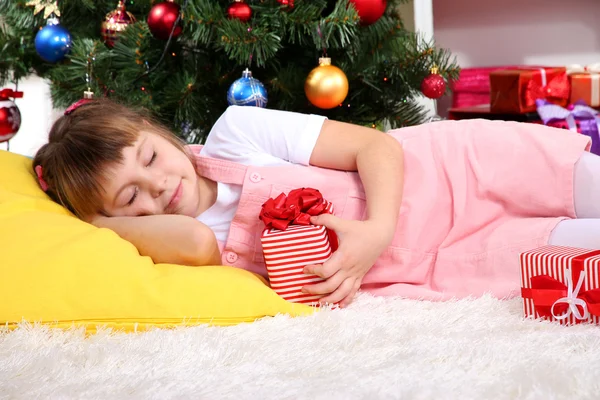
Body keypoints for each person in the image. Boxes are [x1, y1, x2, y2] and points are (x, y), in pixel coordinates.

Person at [32, 98, 600, 307]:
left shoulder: (237, 133)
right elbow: (200, 242)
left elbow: (374, 146)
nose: (156, 187)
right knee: (581, 258)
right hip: (446, 258)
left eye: (150, 158)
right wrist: (99, 219)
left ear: (157, 131)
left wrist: (375, 230)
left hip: (458, 170)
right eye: (129, 197)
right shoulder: (182, 244)